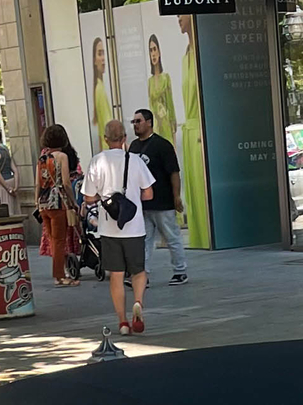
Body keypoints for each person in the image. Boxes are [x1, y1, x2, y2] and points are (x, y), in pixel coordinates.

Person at [84, 118, 154, 333]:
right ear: (125, 138)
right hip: (134, 226)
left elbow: (88, 198)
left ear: (105, 139)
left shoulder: (97, 161)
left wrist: (102, 198)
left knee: (116, 274)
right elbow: (149, 193)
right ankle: (139, 302)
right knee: (139, 271)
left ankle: (123, 322)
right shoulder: (136, 160)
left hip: (108, 228)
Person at [127, 107, 189, 284]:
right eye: (134, 122)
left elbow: (174, 172)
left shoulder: (162, 145)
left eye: (138, 121)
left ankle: (180, 270)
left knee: (172, 237)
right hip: (143, 204)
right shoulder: (134, 146)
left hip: (162, 202)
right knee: (144, 240)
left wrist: (176, 196)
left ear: (149, 122)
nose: (135, 125)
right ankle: (141, 275)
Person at [36, 124, 81, 286]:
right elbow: (67, 183)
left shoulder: (42, 158)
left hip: (43, 203)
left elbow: (37, 183)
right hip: (58, 203)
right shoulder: (62, 156)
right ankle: (60, 276)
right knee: (59, 240)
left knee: (52, 239)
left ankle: (59, 274)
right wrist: (73, 201)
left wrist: (37, 202)